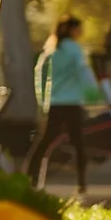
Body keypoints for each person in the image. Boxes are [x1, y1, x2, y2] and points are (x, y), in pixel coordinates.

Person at [23, 15, 100, 195]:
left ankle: (31, 177)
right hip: (72, 103)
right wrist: (94, 94)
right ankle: (82, 183)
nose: (81, 32)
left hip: (56, 103)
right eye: (79, 28)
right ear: (73, 30)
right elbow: (84, 72)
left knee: (45, 142)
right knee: (78, 142)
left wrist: (42, 100)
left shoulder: (51, 51)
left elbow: (39, 74)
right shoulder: (75, 49)